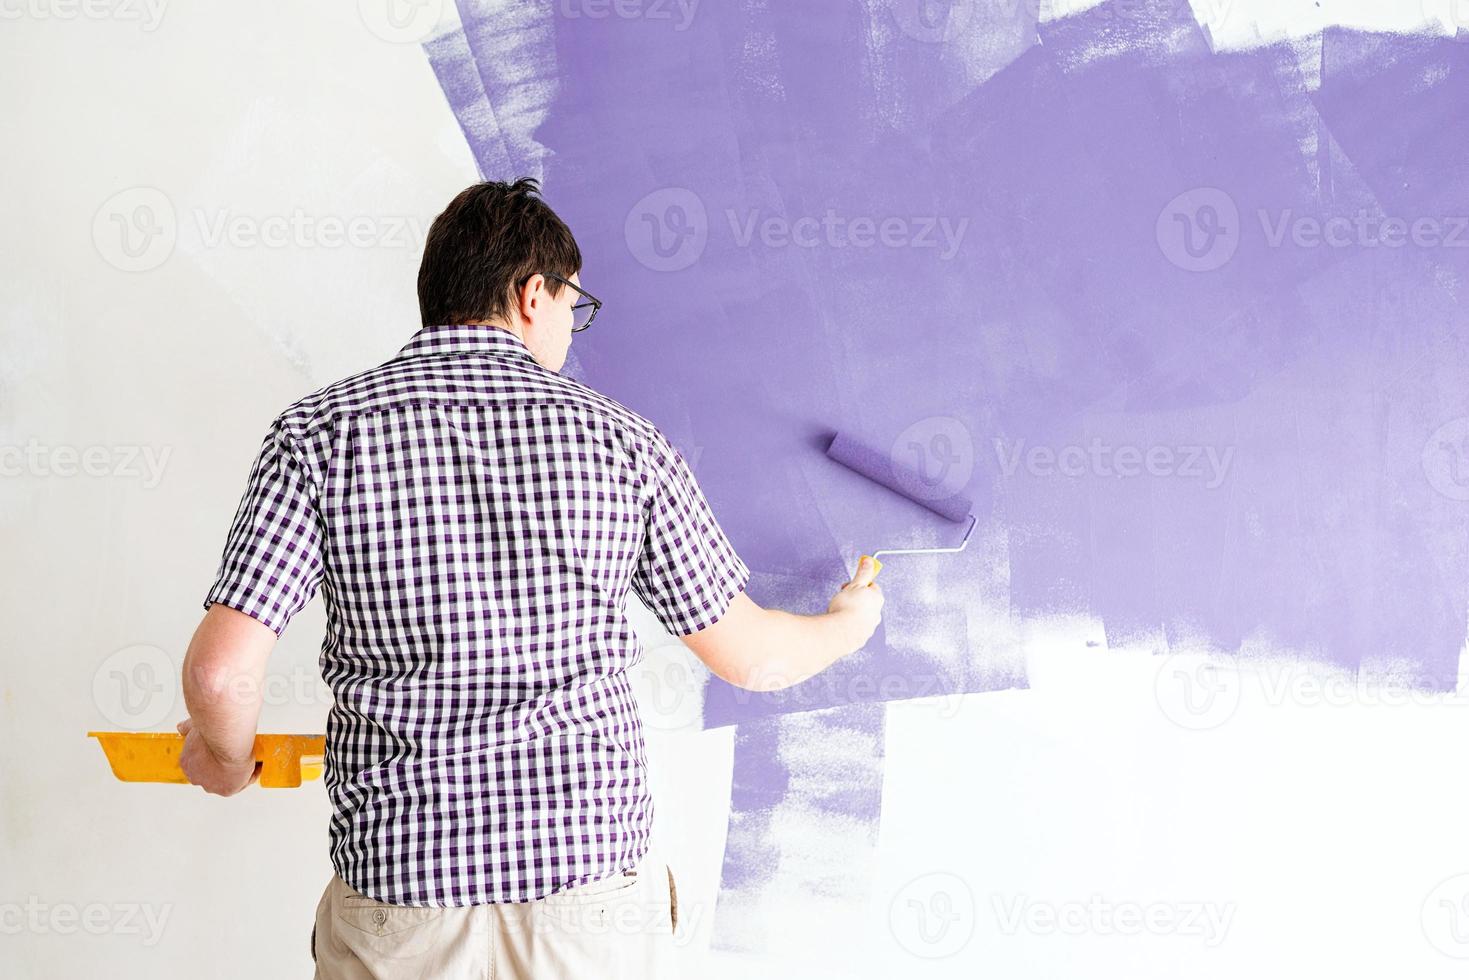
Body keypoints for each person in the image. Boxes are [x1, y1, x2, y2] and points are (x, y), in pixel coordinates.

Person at [174, 177, 885, 978]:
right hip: (584, 903)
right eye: (571, 307)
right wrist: (848, 623)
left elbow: (221, 671)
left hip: (402, 901)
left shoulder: (318, 435)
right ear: (528, 293)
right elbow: (753, 658)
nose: (569, 333)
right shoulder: (622, 444)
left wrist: (225, 761)